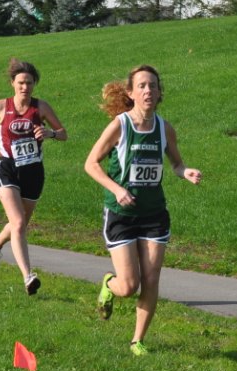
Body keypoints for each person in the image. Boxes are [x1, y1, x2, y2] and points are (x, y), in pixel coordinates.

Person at [84, 65, 202, 356]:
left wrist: (185, 172)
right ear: (131, 92)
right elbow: (91, 164)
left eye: (153, 86)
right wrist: (117, 189)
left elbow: (176, 163)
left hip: (154, 215)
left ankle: (137, 341)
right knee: (129, 285)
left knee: (152, 277)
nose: (148, 91)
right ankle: (109, 285)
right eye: (142, 86)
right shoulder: (119, 125)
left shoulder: (164, 128)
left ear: (160, 93)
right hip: (121, 216)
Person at [0, 58, 67, 295]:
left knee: (18, 225)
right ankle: (28, 276)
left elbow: (63, 134)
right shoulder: (1, 106)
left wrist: (49, 133)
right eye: (20, 83)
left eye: (29, 83)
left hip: (33, 171)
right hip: (7, 167)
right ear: (13, 83)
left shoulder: (41, 107)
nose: (25, 87)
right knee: (18, 223)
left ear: (34, 85)